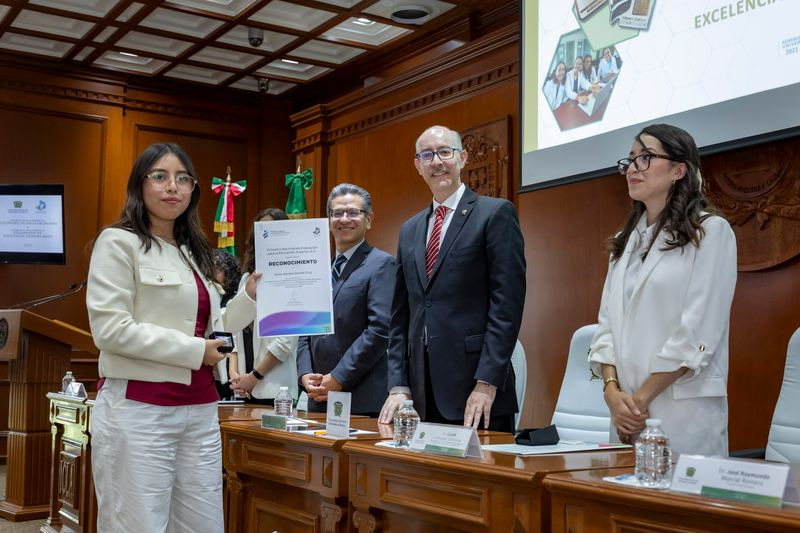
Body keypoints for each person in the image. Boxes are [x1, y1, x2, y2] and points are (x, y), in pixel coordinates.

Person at [86, 143, 260, 532]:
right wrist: (196, 351)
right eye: (160, 176)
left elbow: (216, 326)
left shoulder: (192, 252)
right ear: (140, 184)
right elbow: (111, 330)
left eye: (183, 179)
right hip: (140, 410)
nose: (172, 187)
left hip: (200, 411)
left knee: (203, 525)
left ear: (193, 190)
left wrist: (249, 296)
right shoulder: (117, 242)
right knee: (138, 525)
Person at [589, 123, 737, 456]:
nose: (632, 168)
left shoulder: (711, 233)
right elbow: (606, 328)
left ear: (678, 170)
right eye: (629, 160)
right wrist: (612, 394)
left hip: (681, 414)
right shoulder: (624, 243)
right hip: (626, 415)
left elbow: (697, 333)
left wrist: (639, 402)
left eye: (645, 158)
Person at [378, 126, 526, 432]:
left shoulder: (495, 214)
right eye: (427, 155)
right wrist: (398, 385)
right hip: (420, 396)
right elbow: (400, 315)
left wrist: (486, 382)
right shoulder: (410, 229)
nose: (437, 162)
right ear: (417, 165)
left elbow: (507, 307)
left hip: (477, 394)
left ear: (463, 158)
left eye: (445, 152)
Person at [297, 184, 395, 415]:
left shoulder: (382, 264)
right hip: (317, 396)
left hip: (361, 398)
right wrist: (305, 374)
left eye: (352, 212)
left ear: (368, 219)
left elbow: (379, 330)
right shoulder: (317, 269)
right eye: (337, 213)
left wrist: (339, 377)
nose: (344, 219)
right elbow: (305, 329)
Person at [229, 208, 299, 405]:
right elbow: (234, 329)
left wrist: (255, 376)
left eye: (273, 230)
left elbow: (285, 342)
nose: (267, 236)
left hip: (275, 391)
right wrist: (234, 373)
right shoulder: (247, 278)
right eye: (262, 231)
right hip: (243, 388)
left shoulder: (293, 278)